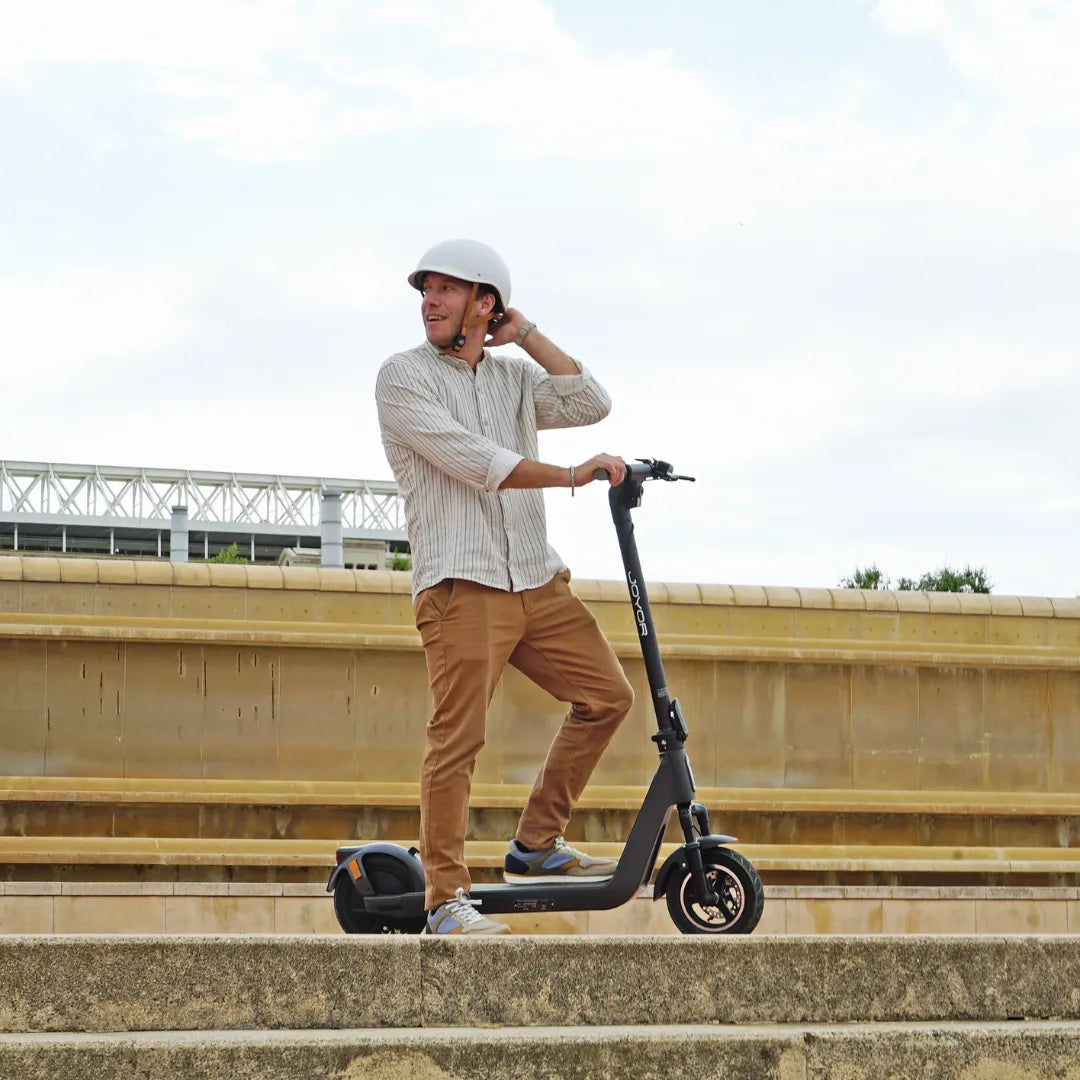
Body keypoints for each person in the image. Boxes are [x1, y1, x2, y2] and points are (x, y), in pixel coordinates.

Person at [375, 238, 635, 935]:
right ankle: (445, 901)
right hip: (463, 584)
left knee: (608, 698)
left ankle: (536, 845)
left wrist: (526, 334)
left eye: (447, 290)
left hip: (535, 577)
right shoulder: (403, 378)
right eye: (425, 289)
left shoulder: (514, 377)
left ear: (484, 303)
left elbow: (590, 400)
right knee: (456, 739)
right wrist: (573, 476)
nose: (428, 301)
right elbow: (475, 461)